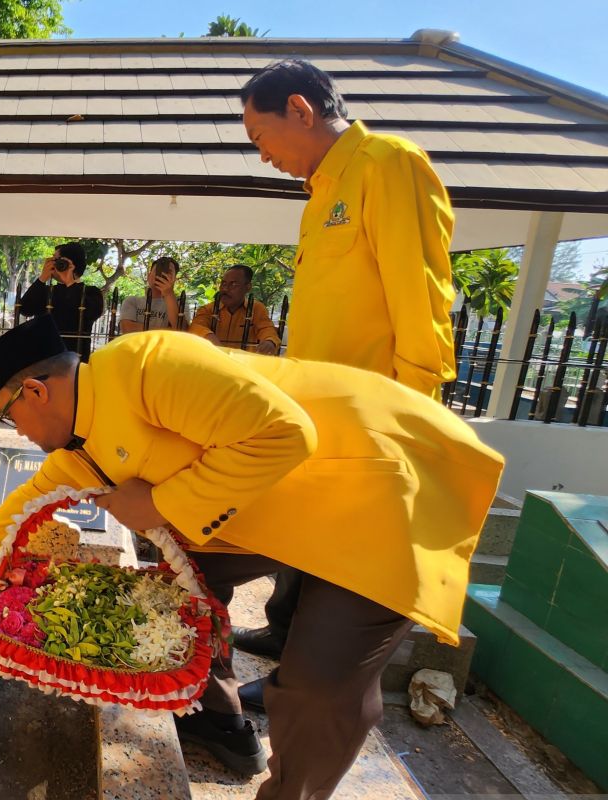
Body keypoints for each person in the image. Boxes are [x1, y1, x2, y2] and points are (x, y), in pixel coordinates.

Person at [0, 318, 502, 798]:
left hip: (373, 495)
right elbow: (33, 496)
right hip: (266, 512)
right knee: (175, 590)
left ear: (36, 391)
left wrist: (157, 502)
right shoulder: (82, 444)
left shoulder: (146, 365)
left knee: (321, 689)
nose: (16, 430)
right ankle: (223, 722)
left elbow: (286, 434)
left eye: (9, 415)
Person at [233, 59, 459, 695]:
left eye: (260, 137)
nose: (262, 155)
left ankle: (293, 682)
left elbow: (420, 299)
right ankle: (281, 634)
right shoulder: (322, 192)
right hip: (323, 414)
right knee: (307, 542)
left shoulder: (387, 165)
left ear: (300, 111)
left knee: (340, 565)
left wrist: (412, 418)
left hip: (375, 419)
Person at [18, 242, 104, 361]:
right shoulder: (47, 291)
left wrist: (70, 281)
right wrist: (42, 278)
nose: (54, 264)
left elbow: (90, 313)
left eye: (57, 260)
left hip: (75, 362)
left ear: (72, 264)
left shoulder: (91, 293)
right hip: (45, 360)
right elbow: (24, 309)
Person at [189, 266, 281, 355]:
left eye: (233, 284)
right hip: (214, 363)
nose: (225, 289)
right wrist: (209, 336)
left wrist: (270, 341)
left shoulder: (256, 309)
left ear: (248, 287)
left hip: (243, 364)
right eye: (224, 284)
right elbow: (196, 326)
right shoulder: (208, 309)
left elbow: (266, 328)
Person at [119, 256, 184, 334]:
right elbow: (127, 329)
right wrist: (169, 330)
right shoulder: (132, 301)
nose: (163, 274)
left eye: (168, 272)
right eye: (158, 271)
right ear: (148, 276)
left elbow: (182, 332)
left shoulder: (181, 303)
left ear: (174, 279)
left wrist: (168, 294)